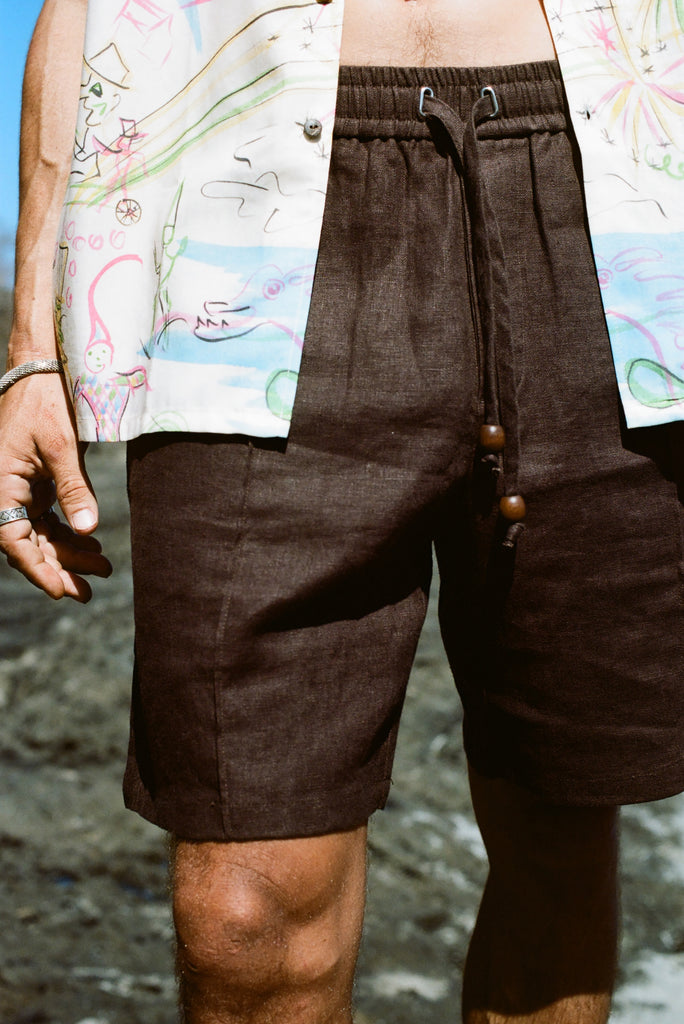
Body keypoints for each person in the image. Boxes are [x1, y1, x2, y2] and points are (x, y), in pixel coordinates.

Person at [1, 1, 683, 1023]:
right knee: (243, 916)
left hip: (601, 190)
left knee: (559, 821)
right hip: (242, 216)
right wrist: (32, 341)